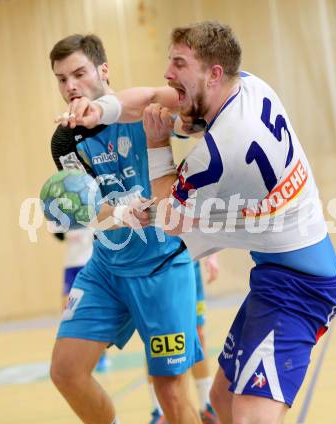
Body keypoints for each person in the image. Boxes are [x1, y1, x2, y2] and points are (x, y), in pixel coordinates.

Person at [64, 21, 336, 424]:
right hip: (274, 275)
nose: (167, 73)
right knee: (222, 399)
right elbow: (148, 97)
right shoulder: (248, 85)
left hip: (301, 289)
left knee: (248, 416)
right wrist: (99, 111)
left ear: (212, 74)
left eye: (179, 64)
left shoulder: (219, 154)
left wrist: (158, 143)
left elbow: (168, 218)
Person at [48, 34, 203, 424]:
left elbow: (191, 113)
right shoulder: (66, 139)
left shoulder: (145, 109)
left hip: (161, 266)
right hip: (106, 269)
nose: (70, 86)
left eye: (79, 73)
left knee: (169, 388)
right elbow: (89, 208)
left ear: (103, 71)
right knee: (66, 371)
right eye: (61, 79)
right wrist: (119, 213)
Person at [149, 255, 220, 424]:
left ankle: (206, 405)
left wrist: (212, 254)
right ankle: (160, 410)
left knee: (197, 331)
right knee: (155, 336)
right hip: (154, 264)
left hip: (187, 258)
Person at [53, 227, 110, 372]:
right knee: (68, 312)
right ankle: (74, 352)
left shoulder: (88, 212)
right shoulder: (63, 217)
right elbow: (58, 235)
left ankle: (101, 354)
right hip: (70, 268)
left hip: (87, 265)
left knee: (92, 312)